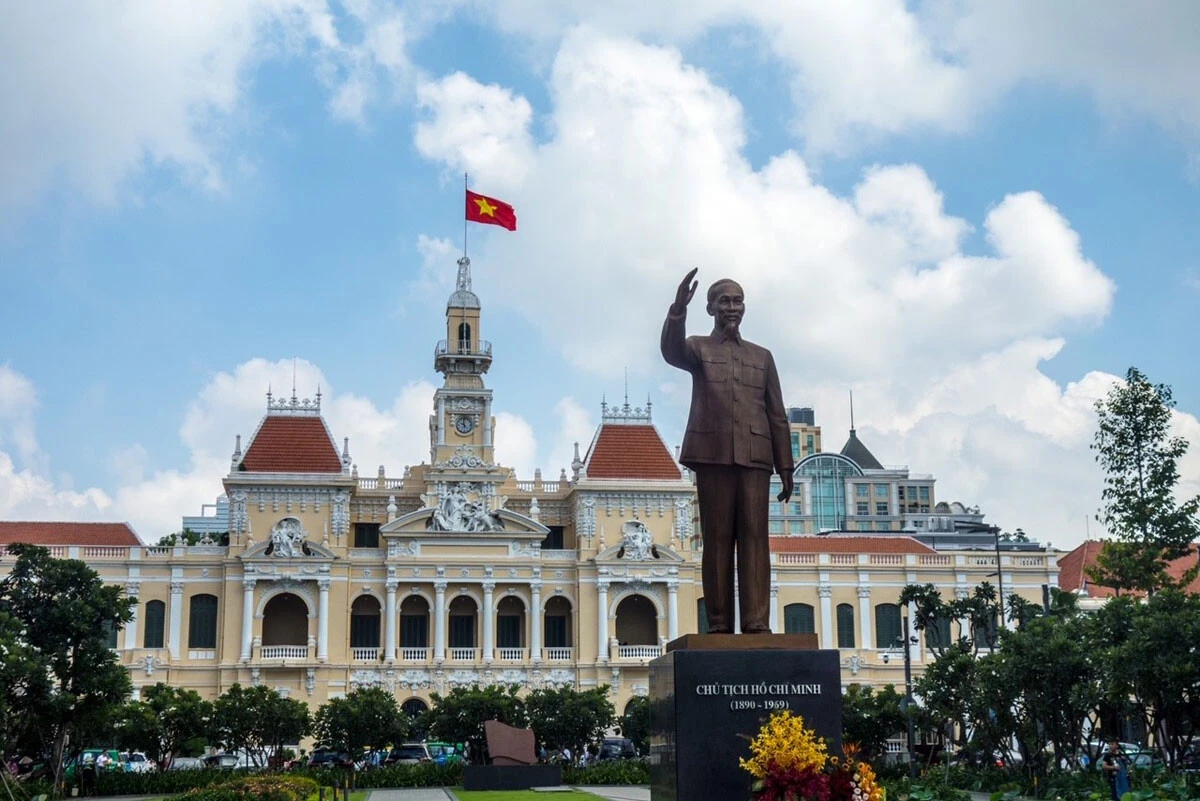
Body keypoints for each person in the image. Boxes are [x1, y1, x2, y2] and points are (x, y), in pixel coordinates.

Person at [661, 269, 794, 633]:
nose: (731, 307)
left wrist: (786, 466)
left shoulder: (762, 356)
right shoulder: (698, 348)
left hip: (755, 456)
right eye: (724, 301)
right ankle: (719, 625)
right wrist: (677, 310)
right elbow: (671, 352)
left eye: (737, 301)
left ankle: (756, 623)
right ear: (710, 308)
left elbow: (776, 414)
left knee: (755, 540)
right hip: (712, 453)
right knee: (717, 539)